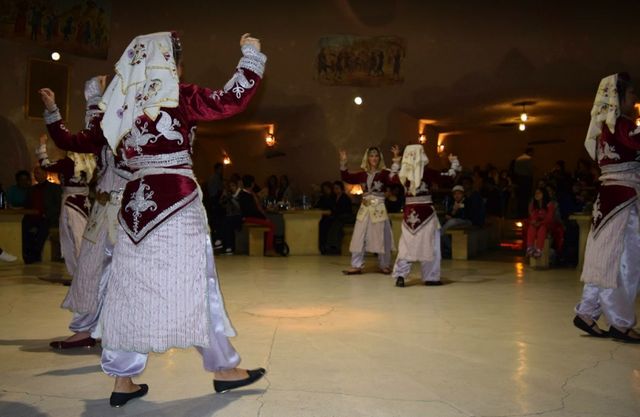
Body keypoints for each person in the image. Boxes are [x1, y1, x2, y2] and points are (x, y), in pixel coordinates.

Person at [40, 31, 267, 406]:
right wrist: (251, 55)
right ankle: (224, 369)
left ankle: (122, 381)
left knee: (128, 291)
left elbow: (82, 139)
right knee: (197, 283)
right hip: (176, 202)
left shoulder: (121, 104)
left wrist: (93, 99)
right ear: (170, 62)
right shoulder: (178, 94)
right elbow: (232, 100)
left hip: (133, 206)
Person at [44, 75, 133, 350]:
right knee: (89, 267)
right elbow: (69, 139)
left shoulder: (139, 126)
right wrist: (52, 110)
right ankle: (85, 330)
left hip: (129, 212)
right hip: (101, 210)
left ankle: (119, 329)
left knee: (124, 272)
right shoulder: (102, 132)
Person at [574, 73, 640, 343]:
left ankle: (587, 312)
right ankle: (620, 323)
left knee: (604, 258)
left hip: (608, 200)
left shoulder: (605, 128)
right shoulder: (623, 125)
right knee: (624, 261)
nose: (635, 98)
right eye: (632, 93)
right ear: (619, 98)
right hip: (624, 202)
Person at [36, 134, 95, 277]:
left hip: (72, 203)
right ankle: (81, 272)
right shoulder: (89, 160)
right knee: (79, 237)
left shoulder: (70, 162)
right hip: (83, 203)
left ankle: (81, 273)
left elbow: (46, 165)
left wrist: (42, 145)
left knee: (74, 237)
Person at [339, 145, 401, 275]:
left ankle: (384, 264)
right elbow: (347, 177)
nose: (374, 158)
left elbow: (394, 179)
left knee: (382, 236)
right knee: (358, 235)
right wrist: (344, 161)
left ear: (379, 158)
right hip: (365, 208)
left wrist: (396, 159)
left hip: (378, 207)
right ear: (367, 158)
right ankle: (356, 265)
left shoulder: (384, 173)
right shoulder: (362, 174)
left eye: (376, 156)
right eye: (371, 156)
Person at [391, 144, 442, 287]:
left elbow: (391, 178)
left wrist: (395, 160)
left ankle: (400, 275)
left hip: (410, 214)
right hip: (426, 215)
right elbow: (448, 179)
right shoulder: (428, 172)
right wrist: (454, 165)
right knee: (431, 245)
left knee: (406, 246)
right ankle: (431, 277)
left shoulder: (403, 173)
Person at [22, 166, 61, 263]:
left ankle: (35, 256)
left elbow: (58, 205)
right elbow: (27, 205)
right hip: (32, 217)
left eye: (38, 173)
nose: (36, 176)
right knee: (25, 226)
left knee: (42, 230)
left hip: (47, 218)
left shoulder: (54, 188)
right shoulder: (31, 189)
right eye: (35, 174)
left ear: (45, 174)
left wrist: (46, 214)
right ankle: (27, 256)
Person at [237, 174, 277, 256]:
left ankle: (267, 247)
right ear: (252, 184)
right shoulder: (246, 195)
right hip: (248, 218)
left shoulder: (244, 194)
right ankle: (269, 249)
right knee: (271, 225)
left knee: (269, 224)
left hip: (248, 216)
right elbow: (253, 211)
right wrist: (264, 218)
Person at [440, 185, 472, 258]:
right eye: (455, 194)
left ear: (462, 194)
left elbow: (465, 215)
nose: (456, 196)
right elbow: (448, 214)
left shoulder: (466, 201)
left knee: (452, 222)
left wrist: (454, 212)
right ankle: (450, 248)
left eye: (459, 193)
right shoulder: (452, 202)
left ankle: (441, 233)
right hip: (452, 222)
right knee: (444, 229)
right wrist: (452, 212)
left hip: (466, 221)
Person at [525, 187, 556, 258]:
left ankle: (539, 250)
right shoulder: (534, 204)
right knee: (531, 227)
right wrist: (534, 221)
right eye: (536, 193)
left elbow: (549, 218)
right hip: (537, 223)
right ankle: (530, 248)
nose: (537, 195)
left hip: (547, 224)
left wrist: (540, 223)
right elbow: (532, 215)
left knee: (542, 228)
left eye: (539, 193)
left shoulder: (550, 204)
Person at [513, 147, 534, 218]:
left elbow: (515, 170)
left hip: (519, 179)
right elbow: (530, 170)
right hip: (526, 180)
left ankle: (519, 214)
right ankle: (524, 214)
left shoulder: (518, 158)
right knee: (526, 198)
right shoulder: (528, 159)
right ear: (530, 152)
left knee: (520, 198)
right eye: (532, 152)